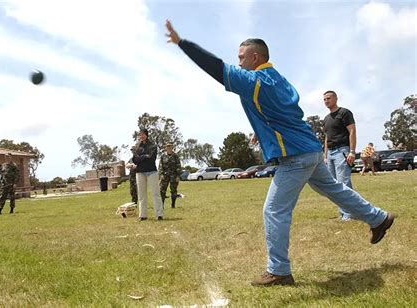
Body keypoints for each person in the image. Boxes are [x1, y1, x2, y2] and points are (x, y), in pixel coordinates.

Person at [165, 20, 394, 286]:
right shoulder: (279, 79)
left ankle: (279, 270)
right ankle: (378, 218)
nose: (237, 63)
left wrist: (183, 43)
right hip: (308, 149)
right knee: (335, 190)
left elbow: (216, 68)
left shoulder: (255, 80)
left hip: (295, 156)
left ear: (255, 57)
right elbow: (285, 112)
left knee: (273, 210)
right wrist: (261, 129)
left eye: (241, 58)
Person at [323, 90, 357, 221]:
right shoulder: (326, 119)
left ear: (336, 99)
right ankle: (344, 213)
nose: (326, 101)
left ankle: (349, 214)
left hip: (342, 151)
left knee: (344, 184)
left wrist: (352, 151)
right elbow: (326, 138)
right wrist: (325, 156)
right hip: (330, 154)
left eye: (328, 98)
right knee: (335, 186)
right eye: (324, 99)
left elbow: (352, 131)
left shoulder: (344, 113)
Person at [132, 128, 163, 221]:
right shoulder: (137, 146)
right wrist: (145, 156)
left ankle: (159, 214)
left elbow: (152, 158)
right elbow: (134, 159)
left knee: (156, 193)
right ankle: (143, 215)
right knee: (141, 195)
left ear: (146, 135)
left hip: (151, 172)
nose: (141, 136)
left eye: (143, 134)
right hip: (140, 172)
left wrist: (141, 157)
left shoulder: (153, 146)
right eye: (140, 134)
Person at [158, 143, 182, 208]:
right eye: (167, 147)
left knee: (174, 190)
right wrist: (161, 174)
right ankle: (161, 205)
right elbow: (160, 166)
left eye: (170, 146)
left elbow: (178, 166)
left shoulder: (175, 156)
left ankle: (173, 204)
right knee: (162, 190)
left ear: (172, 147)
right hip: (165, 176)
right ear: (166, 148)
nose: (168, 148)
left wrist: (178, 176)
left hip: (173, 176)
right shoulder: (163, 156)